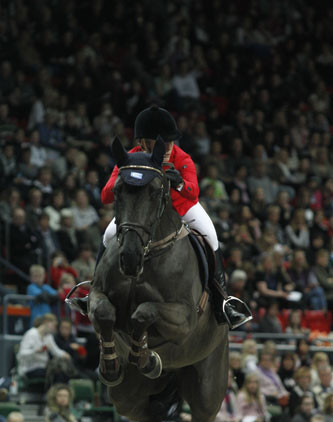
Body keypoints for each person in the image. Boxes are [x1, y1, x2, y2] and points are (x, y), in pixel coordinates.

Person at [68, 105, 251, 329]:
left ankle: (223, 301)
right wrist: (122, 177)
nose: (167, 147)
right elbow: (106, 196)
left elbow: (193, 192)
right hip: (142, 213)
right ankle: (93, 291)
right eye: (160, 142)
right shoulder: (131, 158)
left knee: (212, 237)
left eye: (170, 141)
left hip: (181, 207)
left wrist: (180, 183)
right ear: (143, 143)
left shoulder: (182, 158)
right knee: (107, 236)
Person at [17, 313, 70, 380]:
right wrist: (35, 351)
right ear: (46, 322)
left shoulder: (48, 337)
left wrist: (64, 354)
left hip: (43, 368)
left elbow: (56, 351)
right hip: (29, 369)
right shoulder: (31, 334)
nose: (54, 328)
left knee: (62, 373)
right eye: (53, 325)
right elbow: (22, 354)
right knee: (56, 374)